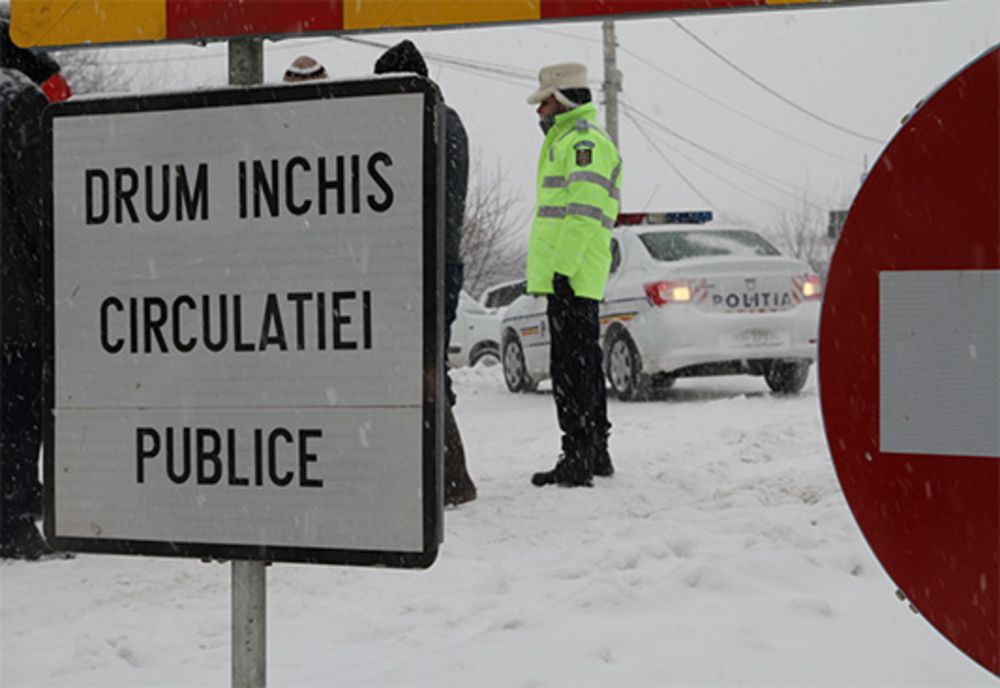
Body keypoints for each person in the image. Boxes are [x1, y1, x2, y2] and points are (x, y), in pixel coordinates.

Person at [374, 40, 477, 506]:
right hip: (438, 262)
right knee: (426, 366)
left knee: (421, 369)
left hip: (421, 265)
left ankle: (449, 476)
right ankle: (443, 474)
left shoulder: (418, 119)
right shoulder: (444, 118)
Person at [525, 63, 621, 488]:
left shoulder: (583, 143)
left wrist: (562, 270)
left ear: (563, 101)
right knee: (583, 365)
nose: (539, 112)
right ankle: (594, 451)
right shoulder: (570, 141)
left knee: (570, 370)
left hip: (572, 275)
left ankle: (578, 456)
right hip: (573, 275)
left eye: (544, 103)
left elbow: (583, 213)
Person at [1, 17, 72, 559]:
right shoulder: (18, 102)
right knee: (18, 410)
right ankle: (14, 518)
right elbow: (39, 207)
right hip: (14, 299)